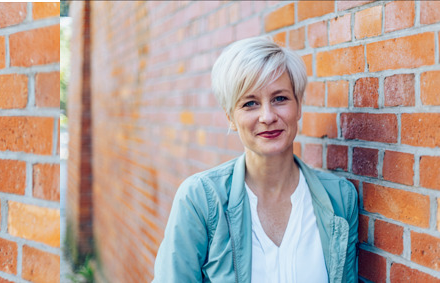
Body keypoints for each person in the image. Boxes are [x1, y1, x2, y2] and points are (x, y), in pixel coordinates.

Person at [152, 37, 358, 283]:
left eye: (280, 98)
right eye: (250, 103)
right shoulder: (200, 200)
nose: (267, 116)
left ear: (299, 105)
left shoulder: (340, 198)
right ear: (230, 117)